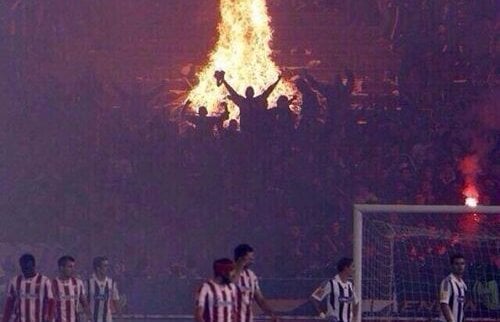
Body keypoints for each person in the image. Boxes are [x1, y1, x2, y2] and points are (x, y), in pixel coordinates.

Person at [216, 71, 281, 134]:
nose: (249, 93)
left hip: (254, 129)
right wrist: (224, 81)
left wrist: (277, 81)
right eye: (249, 91)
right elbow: (232, 92)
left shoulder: (247, 101)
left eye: (250, 91)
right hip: (249, 129)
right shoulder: (251, 101)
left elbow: (268, 91)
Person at [2, 254, 54, 322]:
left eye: (29, 267)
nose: (26, 271)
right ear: (21, 267)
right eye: (24, 268)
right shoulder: (15, 281)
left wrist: (49, 319)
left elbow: (51, 302)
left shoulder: (44, 281)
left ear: (34, 266)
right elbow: (9, 304)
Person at [233, 244, 278, 322]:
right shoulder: (229, 272)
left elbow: (260, 299)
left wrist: (271, 314)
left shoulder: (251, 275)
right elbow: (230, 286)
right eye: (249, 258)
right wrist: (239, 267)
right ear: (241, 259)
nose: (252, 260)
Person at [311, 257, 358, 322]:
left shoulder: (351, 285)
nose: (354, 269)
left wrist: (354, 318)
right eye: (352, 266)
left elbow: (356, 303)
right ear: (346, 268)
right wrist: (322, 315)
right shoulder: (330, 283)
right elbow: (314, 298)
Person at [52, 256, 90, 322]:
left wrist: (89, 317)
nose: (73, 269)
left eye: (73, 267)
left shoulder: (78, 283)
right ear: (61, 268)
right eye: (70, 267)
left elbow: (84, 303)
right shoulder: (53, 284)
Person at [86, 257, 121, 322]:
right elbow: (84, 302)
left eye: (107, 266)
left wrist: (120, 316)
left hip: (107, 319)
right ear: (98, 268)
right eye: (105, 266)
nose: (107, 268)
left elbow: (116, 301)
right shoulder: (88, 283)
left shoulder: (111, 283)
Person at [439, 254, 467, 322]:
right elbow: (444, 304)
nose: (460, 266)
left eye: (462, 264)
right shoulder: (447, 282)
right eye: (457, 264)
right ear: (451, 266)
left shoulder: (464, 285)